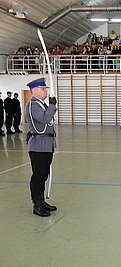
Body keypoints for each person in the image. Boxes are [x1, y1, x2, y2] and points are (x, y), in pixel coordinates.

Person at [24, 77, 57, 217]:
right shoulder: (33, 105)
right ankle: (37, 204)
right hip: (38, 146)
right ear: (35, 90)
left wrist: (49, 106)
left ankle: (42, 201)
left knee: (43, 175)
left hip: (46, 145)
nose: (46, 91)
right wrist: (52, 106)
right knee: (38, 176)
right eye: (43, 89)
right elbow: (44, 119)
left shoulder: (40, 104)